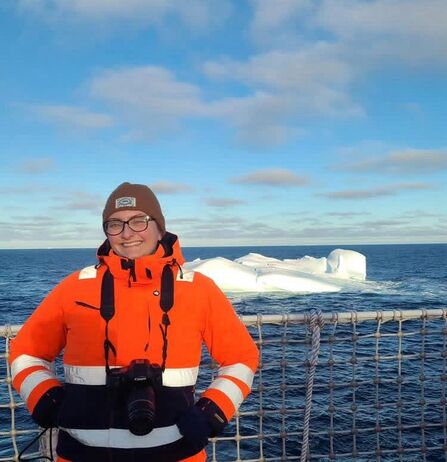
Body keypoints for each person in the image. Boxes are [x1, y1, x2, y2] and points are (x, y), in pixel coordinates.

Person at [9, 182, 259, 462]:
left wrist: (213, 411)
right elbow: (26, 353)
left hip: (177, 454)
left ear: (159, 227)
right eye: (115, 224)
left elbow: (241, 358)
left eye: (139, 221)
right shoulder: (74, 288)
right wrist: (44, 396)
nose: (127, 234)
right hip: (80, 455)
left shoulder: (199, 290)